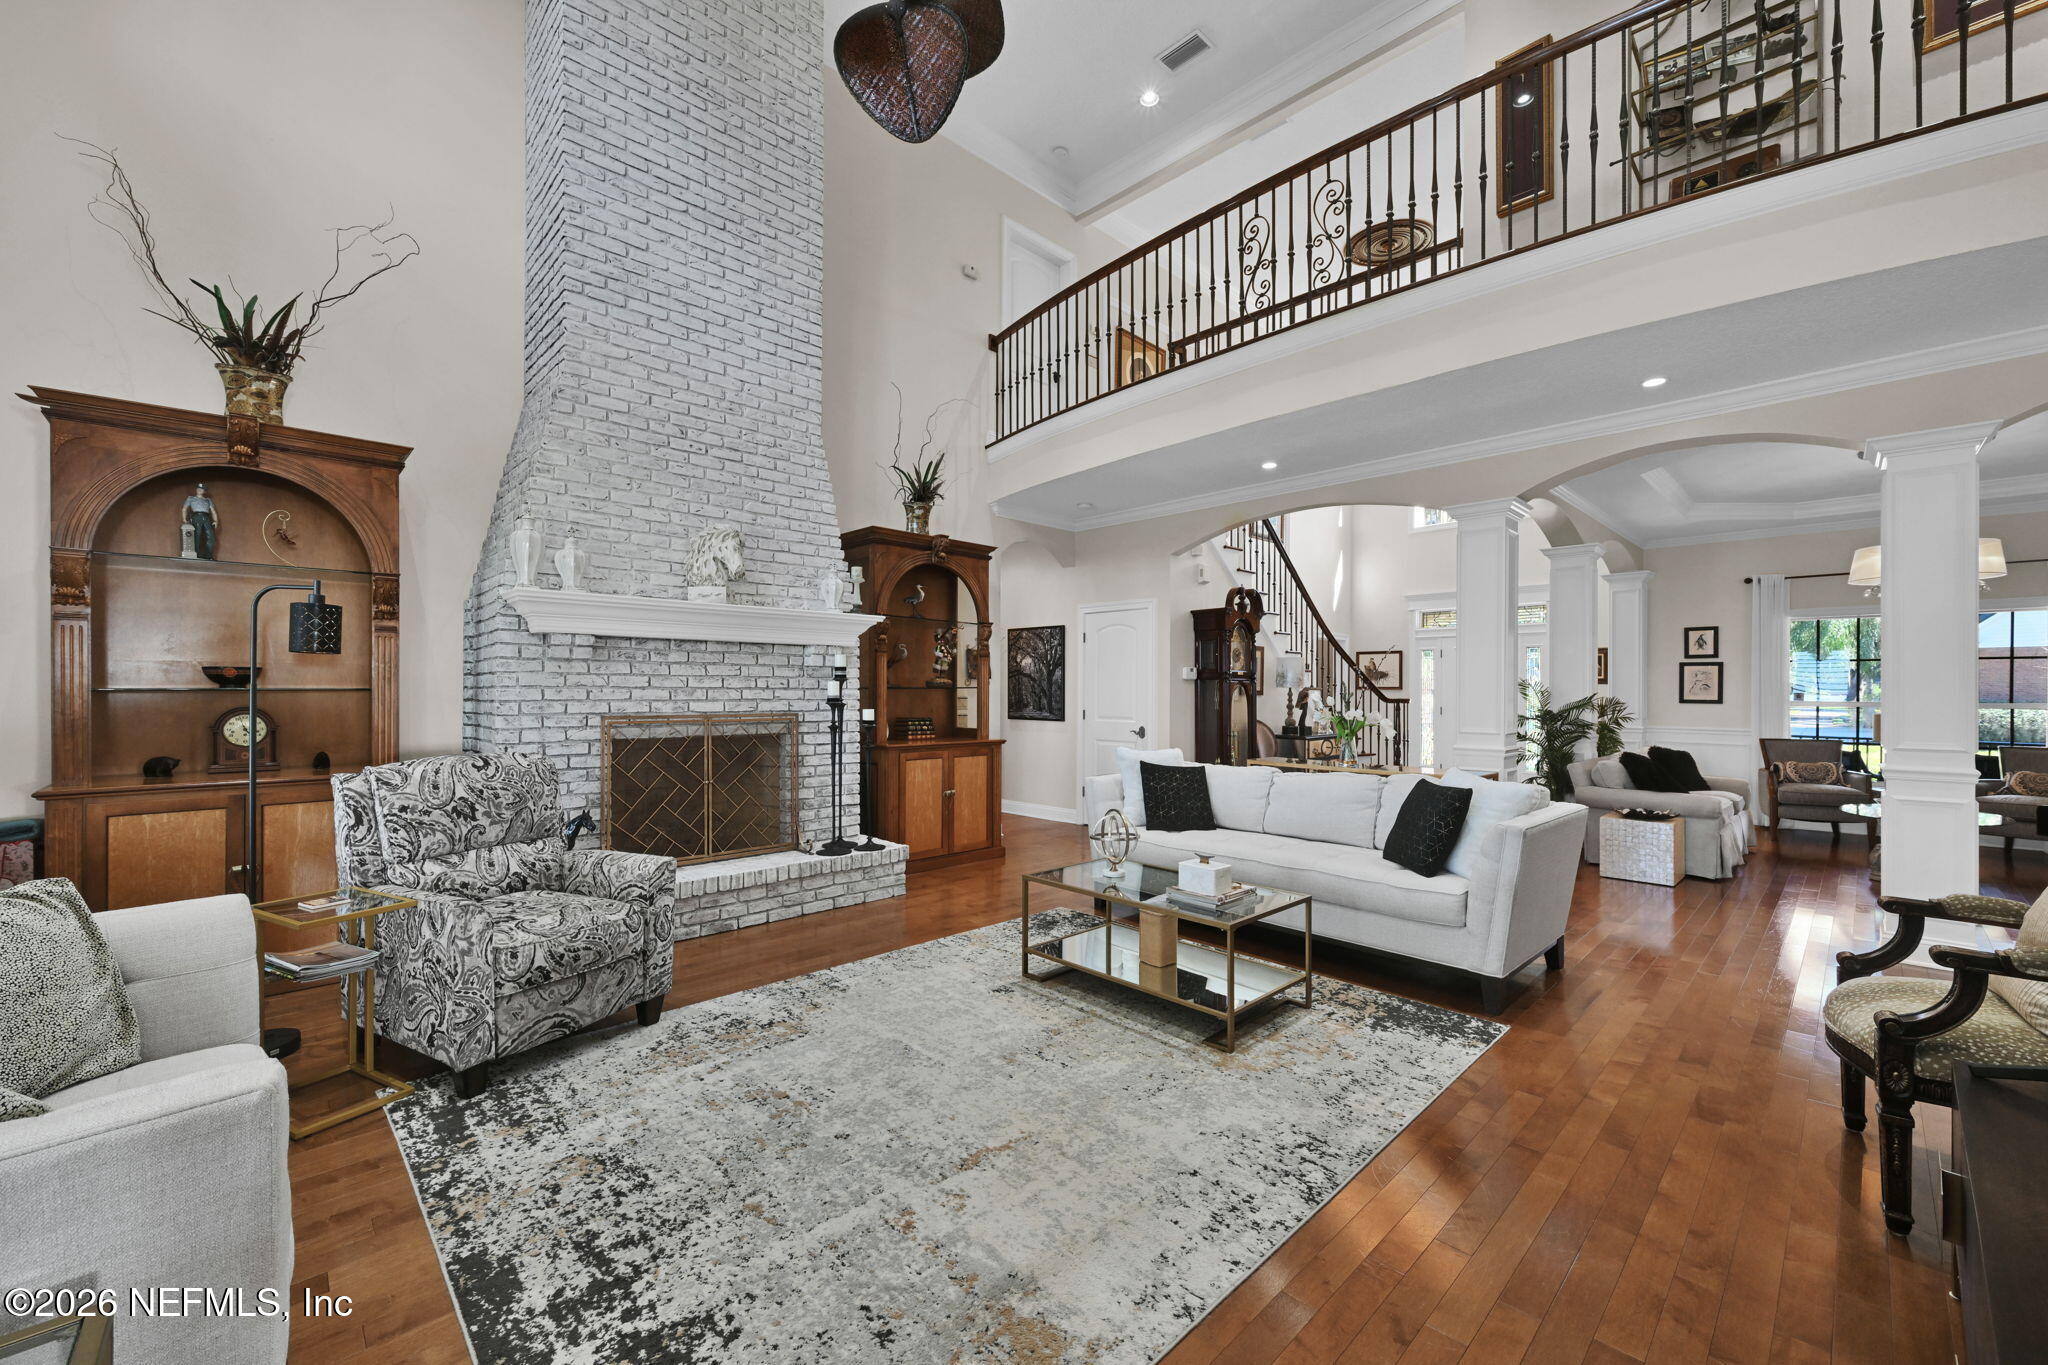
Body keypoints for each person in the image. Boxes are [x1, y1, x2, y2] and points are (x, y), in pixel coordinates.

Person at [181, 483, 220, 561]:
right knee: (196, 535)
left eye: (201, 489)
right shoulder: (191, 498)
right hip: (196, 516)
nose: (199, 490)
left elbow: (213, 511)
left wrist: (216, 521)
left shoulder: (208, 500)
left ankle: (208, 555)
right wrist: (184, 519)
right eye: (198, 488)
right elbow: (184, 509)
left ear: (204, 491)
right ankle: (196, 554)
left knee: (211, 537)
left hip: (206, 517)